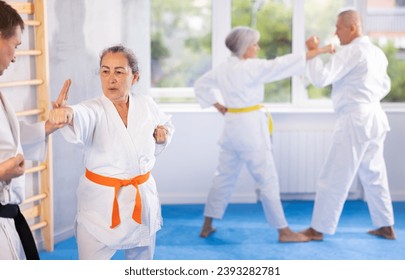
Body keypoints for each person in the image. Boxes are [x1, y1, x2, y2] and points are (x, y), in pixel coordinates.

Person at [193, 26, 333, 242]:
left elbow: (201, 85)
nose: (258, 48)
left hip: (231, 129)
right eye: (254, 44)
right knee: (267, 180)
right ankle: (284, 231)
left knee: (223, 177)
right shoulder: (252, 67)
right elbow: (283, 64)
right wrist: (320, 51)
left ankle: (206, 225)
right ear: (244, 48)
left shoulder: (221, 69)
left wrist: (219, 106)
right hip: (250, 130)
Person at [49, 45, 174, 260]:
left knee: (141, 263)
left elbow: (165, 125)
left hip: (141, 199)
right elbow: (80, 114)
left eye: (119, 71)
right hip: (101, 205)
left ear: (135, 77)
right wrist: (66, 113)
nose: (111, 79)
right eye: (105, 71)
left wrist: (162, 134)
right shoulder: (94, 108)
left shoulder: (146, 104)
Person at [301, 9, 396, 241]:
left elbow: (321, 79)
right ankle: (386, 226)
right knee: (374, 173)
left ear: (352, 28)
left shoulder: (351, 51)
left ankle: (317, 229)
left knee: (334, 174)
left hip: (355, 119)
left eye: (339, 28)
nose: (336, 33)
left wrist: (312, 53)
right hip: (375, 116)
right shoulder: (377, 53)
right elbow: (385, 86)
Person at [0, 0, 68, 259]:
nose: (16, 56)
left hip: (8, 217)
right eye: (15, 45)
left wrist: (49, 126)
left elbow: (8, 139)